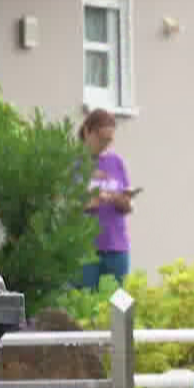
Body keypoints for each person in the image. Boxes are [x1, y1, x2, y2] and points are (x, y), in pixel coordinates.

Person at [79, 109, 134, 289]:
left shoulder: (116, 162)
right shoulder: (73, 162)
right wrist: (93, 201)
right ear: (87, 132)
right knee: (86, 305)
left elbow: (127, 206)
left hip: (117, 246)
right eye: (101, 139)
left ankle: (121, 320)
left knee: (121, 305)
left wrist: (122, 201)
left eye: (109, 140)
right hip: (85, 249)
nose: (105, 145)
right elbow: (62, 203)